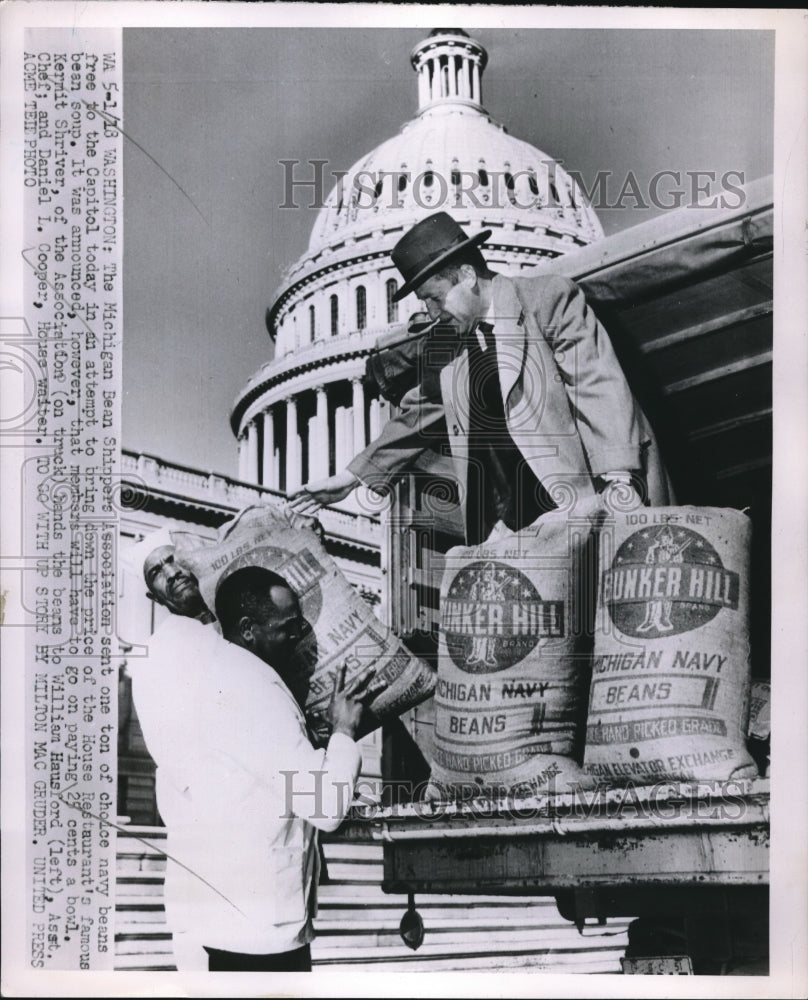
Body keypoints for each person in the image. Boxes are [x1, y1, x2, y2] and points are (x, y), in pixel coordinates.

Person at [290, 211, 672, 543]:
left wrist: (620, 481)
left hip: (591, 497)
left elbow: (594, 382)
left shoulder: (548, 298)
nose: (433, 311)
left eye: (435, 297)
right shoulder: (447, 343)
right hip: (519, 524)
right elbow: (414, 417)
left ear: (468, 276)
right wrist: (350, 478)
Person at [129, 536, 369, 973]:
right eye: (287, 628)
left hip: (244, 919)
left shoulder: (229, 670)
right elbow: (326, 805)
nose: (298, 638)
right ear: (247, 629)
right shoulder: (251, 690)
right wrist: (344, 731)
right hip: (258, 934)